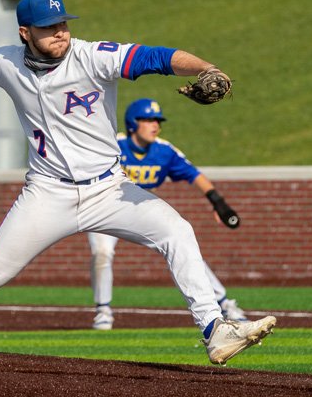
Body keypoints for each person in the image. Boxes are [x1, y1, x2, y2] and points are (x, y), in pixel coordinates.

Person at [0, 0, 276, 365]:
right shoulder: (4, 62)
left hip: (110, 189)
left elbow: (156, 57)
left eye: (64, 24)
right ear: (25, 33)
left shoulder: (93, 56)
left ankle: (215, 331)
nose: (61, 33)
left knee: (177, 231)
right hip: (47, 194)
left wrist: (206, 68)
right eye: (49, 27)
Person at [88, 98, 248, 330]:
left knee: (184, 245)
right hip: (106, 204)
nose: (156, 125)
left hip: (142, 209)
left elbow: (193, 174)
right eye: (149, 119)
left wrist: (218, 202)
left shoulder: (163, 150)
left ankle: (225, 304)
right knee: (102, 251)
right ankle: (103, 310)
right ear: (133, 123)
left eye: (158, 120)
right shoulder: (113, 145)